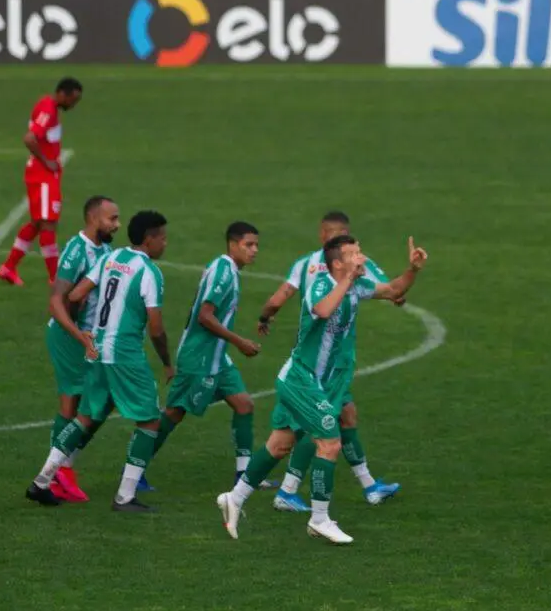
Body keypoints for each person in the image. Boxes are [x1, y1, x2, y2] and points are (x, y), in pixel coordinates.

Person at [217, 235, 428, 544]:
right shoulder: (320, 284)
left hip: (316, 382)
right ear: (337, 263)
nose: (362, 257)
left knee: (279, 445)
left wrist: (413, 269)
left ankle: (234, 498)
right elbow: (324, 309)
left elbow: (394, 289)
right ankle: (319, 519)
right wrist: (348, 281)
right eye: (354, 254)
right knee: (329, 443)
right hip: (301, 379)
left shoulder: (355, 285)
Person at [26, 210, 173, 513]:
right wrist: (167, 361)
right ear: (149, 239)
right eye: (162, 238)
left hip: (97, 350)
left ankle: (42, 481)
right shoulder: (150, 272)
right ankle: (125, 496)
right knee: (149, 420)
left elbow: (78, 293)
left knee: (86, 417)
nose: (165, 244)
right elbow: (156, 328)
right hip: (124, 356)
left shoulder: (111, 257)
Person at [258, 212, 402, 512]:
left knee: (343, 416)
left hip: (322, 358)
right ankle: (286, 493)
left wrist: (265, 317)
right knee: (313, 429)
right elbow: (391, 293)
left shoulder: (305, 264)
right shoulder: (341, 268)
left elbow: (279, 297)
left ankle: (368, 486)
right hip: (326, 362)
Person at [145, 222, 277, 487]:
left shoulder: (229, 269)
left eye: (257, 245)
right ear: (232, 244)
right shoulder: (223, 272)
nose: (255, 251)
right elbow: (205, 316)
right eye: (249, 245)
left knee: (244, 405)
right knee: (174, 413)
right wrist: (239, 341)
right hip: (199, 357)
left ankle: (245, 475)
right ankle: (135, 469)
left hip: (217, 357)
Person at [42, 196, 119, 503]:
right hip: (68, 337)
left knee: (98, 403)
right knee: (74, 403)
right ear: (92, 218)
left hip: (88, 337)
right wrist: (79, 336)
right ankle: (60, 473)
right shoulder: (77, 250)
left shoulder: (105, 249)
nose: (117, 224)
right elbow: (56, 301)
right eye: (111, 218)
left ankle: (61, 468)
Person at [0, 77, 84, 288]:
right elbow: (29, 138)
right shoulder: (48, 108)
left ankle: (8, 267)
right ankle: (55, 277)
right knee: (48, 224)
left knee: (38, 223)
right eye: (73, 99)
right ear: (63, 94)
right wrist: (46, 161)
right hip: (42, 175)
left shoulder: (51, 108)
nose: (74, 104)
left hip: (46, 174)